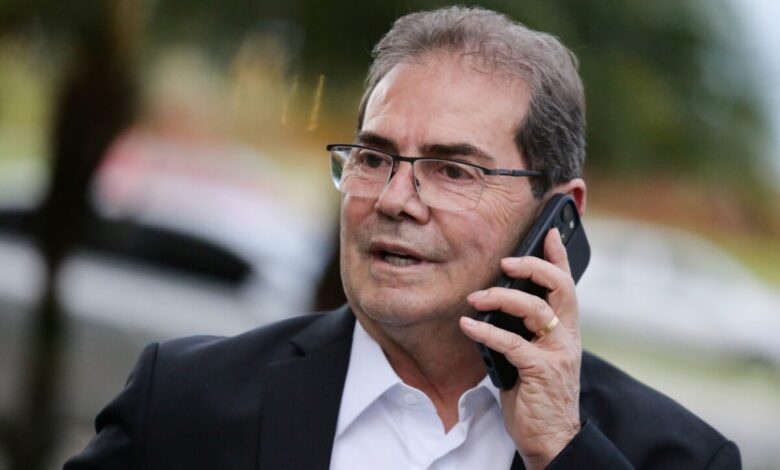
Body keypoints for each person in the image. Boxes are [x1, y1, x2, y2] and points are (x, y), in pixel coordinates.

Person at [65, 6, 740, 469]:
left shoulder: (674, 455)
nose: (393, 199)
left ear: (559, 213)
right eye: (373, 157)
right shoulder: (183, 400)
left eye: (453, 170)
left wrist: (563, 451)